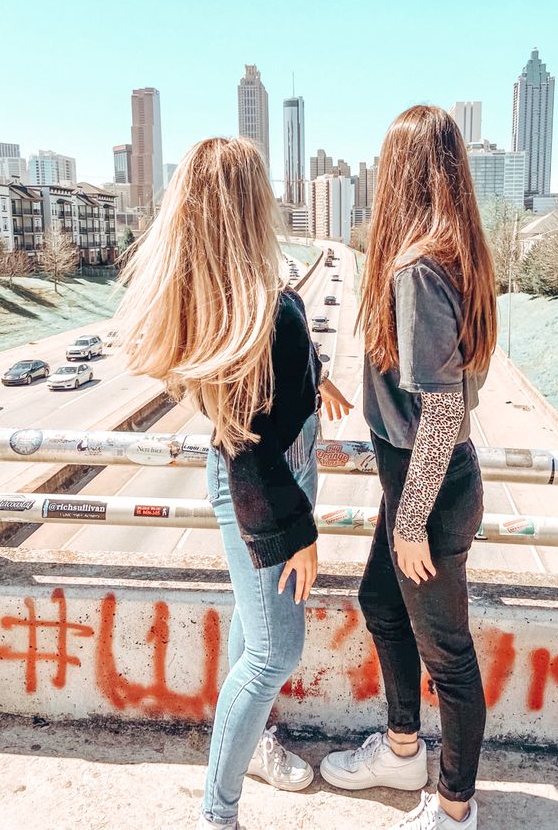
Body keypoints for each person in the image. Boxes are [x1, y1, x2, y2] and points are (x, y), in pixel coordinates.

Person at [115, 137, 352, 830]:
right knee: (276, 651)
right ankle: (218, 815)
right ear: (244, 206)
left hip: (266, 481)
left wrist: (317, 376)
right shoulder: (255, 313)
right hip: (266, 492)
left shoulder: (240, 302)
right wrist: (299, 533)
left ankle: (249, 748)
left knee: (255, 639)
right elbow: (248, 448)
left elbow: (276, 371)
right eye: (263, 190)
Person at [320, 106, 497, 830]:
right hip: (418, 478)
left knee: (448, 656)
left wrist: (413, 516)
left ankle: (455, 808)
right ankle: (400, 749)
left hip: (430, 483)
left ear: (402, 175)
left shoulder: (420, 267)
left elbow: (444, 409)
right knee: (381, 603)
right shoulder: (455, 252)